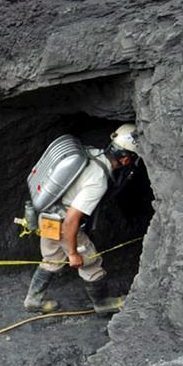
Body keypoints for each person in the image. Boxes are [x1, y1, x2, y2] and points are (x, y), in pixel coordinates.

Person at [23, 124, 141, 315]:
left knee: (52, 258)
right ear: (126, 159)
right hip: (63, 223)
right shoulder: (98, 180)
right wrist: (73, 253)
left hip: (47, 217)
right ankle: (102, 303)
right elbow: (71, 220)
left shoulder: (91, 152)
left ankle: (33, 299)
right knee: (90, 262)